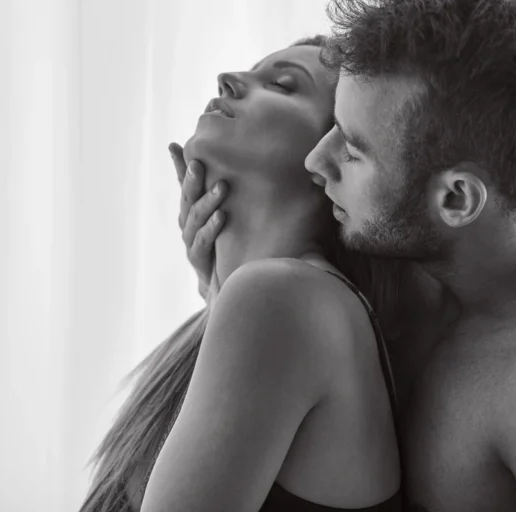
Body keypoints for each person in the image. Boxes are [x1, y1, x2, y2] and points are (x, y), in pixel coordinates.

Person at [179, 0, 516, 509]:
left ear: (455, 199)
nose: (317, 159)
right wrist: (221, 296)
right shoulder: (400, 308)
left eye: (353, 151)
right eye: (330, 126)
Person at [80, 36, 404, 512]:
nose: (227, 80)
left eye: (282, 84)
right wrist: (214, 291)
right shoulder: (273, 303)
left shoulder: (285, 300)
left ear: (335, 156)